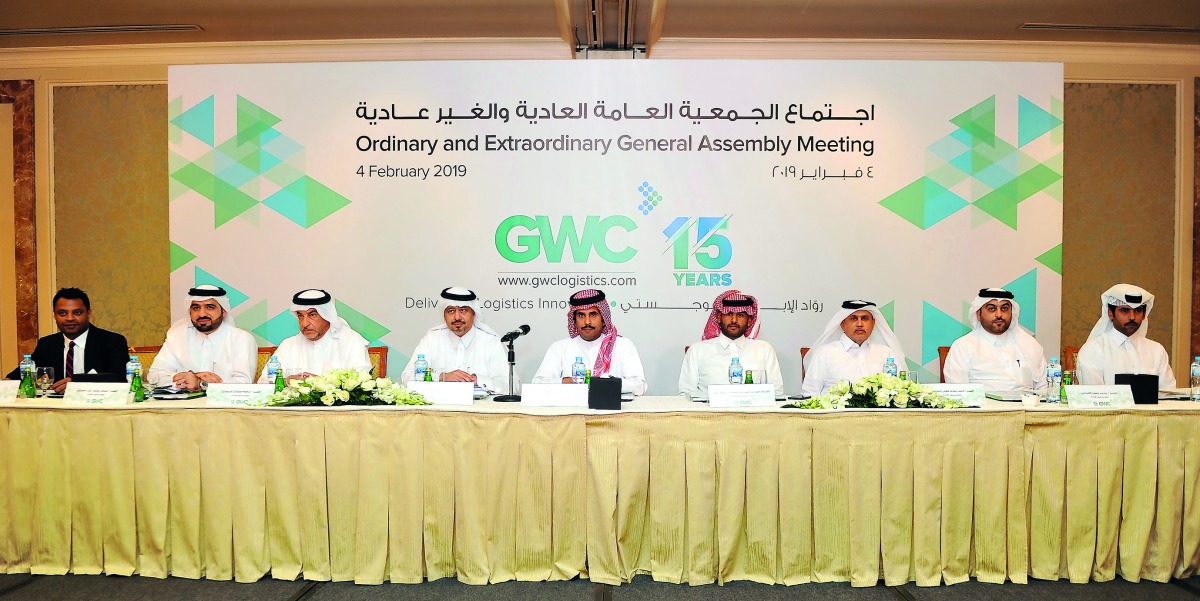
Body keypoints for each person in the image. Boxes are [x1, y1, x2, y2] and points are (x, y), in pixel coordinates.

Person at [5, 287, 129, 393]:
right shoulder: (47, 344)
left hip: (97, 407)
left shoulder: (112, 341)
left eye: (77, 313)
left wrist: (77, 383)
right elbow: (23, 373)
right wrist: (8, 382)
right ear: (54, 315)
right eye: (62, 313)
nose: (70, 318)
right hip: (56, 408)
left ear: (89, 314)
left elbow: (120, 377)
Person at [532, 289, 647, 395]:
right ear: (574, 321)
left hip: (611, 408)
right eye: (581, 315)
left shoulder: (623, 345)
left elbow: (639, 386)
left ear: (603, 319)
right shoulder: (559, 348)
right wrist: (564, 382)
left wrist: (606, 384)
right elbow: (537, 383)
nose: (587, 321)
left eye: (593, 314)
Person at [146, 285, 258, 391]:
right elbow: (153, 376)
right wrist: (192, 377)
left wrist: (201, 383)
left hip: (222, 404)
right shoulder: (176, 337)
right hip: (181, 403)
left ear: (223, 312)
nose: (201, 314)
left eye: (210, 307)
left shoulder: (241, 339)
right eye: (196, 308)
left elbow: (243, 384)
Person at [678, 289, 783, 400]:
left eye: (740, 315)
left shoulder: (763, 349)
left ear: (749, 320)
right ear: (718, 317)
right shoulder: (697, 350)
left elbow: (776, 393)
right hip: (708, 411)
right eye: (728, 314)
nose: (734, 320)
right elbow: (685, 396)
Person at [399, 287, 508, 392]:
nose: (457, 317)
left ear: (473, 314)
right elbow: (407, 377)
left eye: (463, 310)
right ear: (444, 316)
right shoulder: (432, 339)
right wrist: (442, 377)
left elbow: (510, 385)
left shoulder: (490, 342)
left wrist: (477, 380)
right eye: (451, 311)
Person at [944, 288, 1047, 392]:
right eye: (991, 309)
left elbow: (1044, 388)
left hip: (1027, 402)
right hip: (983, 402)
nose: (999, 314)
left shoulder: (1030, 345)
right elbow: (959, 393)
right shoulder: (963, 346)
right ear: (979, 314)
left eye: (1004, 308)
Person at [257, 288, 371, 382]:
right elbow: (264, 382)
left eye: (312, 315)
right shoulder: (288, 345)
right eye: (300, 316)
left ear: (326, 315)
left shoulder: (351, 342)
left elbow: (361, 386)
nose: (305, 323)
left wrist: (321, 383)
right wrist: (286, 381)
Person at [1076, 283, 1176, 388]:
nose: (1132, 317)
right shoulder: (1093, 350)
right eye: (1124, 310)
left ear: (1144, 315)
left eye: (1138, 310)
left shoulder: (1157, 351)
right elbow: (1094, 395)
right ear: (1110, 314)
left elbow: (1168, 393)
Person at [802, 300, 907, 396]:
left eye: (865, 318)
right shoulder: (825, 353)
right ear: (843, 324)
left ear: (873, 323)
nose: (860, 324)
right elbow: (810, 393)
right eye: (854, 318)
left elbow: (902, 391)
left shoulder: (887, 353)